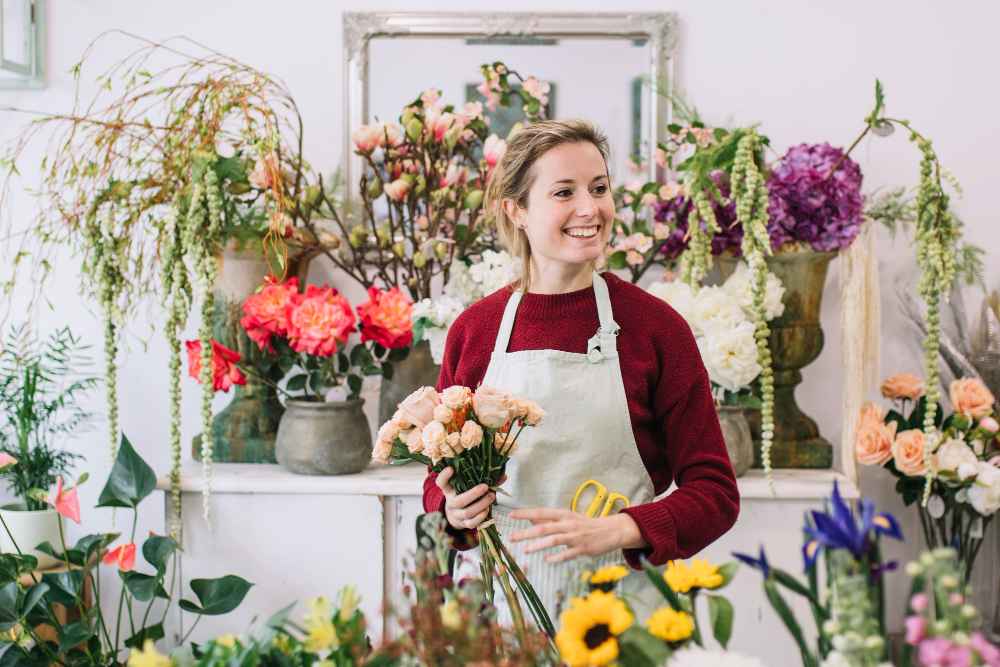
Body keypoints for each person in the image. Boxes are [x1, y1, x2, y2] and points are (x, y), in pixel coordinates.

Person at [422, 119, 739, 617]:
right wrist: (452, 510)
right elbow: (438, 477)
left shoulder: (656, 329)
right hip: (497, 611)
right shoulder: (475, 330)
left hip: (623, 611)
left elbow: (715, 493)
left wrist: (619, 530)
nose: (590, 208)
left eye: (599, 188)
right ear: (516, 210)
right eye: (564, 192)